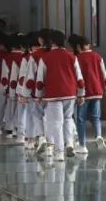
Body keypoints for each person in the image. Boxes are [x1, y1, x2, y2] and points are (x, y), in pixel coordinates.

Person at [34, 30, 85, 161]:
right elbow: (79, 78)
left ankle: (59, 152)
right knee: (68, 119)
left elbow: (40, 80)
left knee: (56, 123)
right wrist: (81, 94)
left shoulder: (45, 58)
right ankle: (70, 144)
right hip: (70, 94)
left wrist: (38, 95)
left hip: (53, 95)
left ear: (51, 42)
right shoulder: (72, 57)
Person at [75, 36, 106, 153]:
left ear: (78, 47)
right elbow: (104, 75)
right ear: (89, 45)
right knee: (96, 118)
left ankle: (82, 145)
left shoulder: (77, 58)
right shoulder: (97, 57)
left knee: (81, 119)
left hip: (84, 93)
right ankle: (98, 135)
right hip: (97, 92)